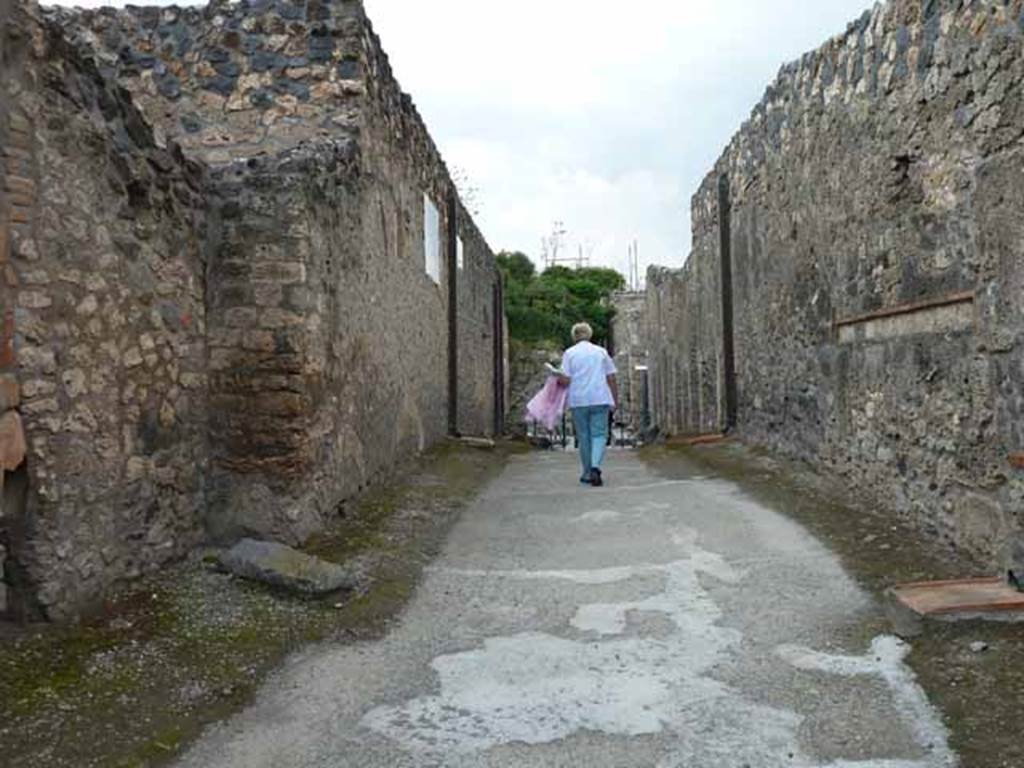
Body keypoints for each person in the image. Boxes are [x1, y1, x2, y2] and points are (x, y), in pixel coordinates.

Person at [557, 323, 619, 487]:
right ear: (590, 335)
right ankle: (595, 467)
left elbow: (565, 379)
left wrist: (555, 378)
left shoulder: (569, 354)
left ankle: (586, 473)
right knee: (599, 435)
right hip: (600, 397)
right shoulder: (601, 352)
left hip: (579, 400)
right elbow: (611, 377)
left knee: (583, 437)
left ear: (574, 336)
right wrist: (614, 399)